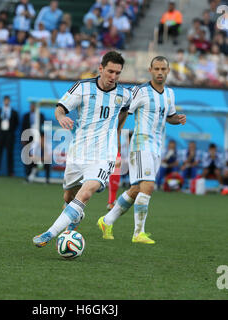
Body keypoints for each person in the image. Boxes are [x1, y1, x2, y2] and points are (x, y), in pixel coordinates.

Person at [33, 51, 132, 248]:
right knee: (69, 197)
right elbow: (60, 108)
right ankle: (75, 216)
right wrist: (61, 117)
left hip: (105, 154)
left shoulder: (125, 94)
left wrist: (117, 134)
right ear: (101, 69)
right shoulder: (83, 88)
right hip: (79, 152)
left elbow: (123, 113)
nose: (113, 77)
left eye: (118, 73)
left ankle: (49, 233)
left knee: (87, 192)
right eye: (110, 71)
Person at [98, 56, 187, 244]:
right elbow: (123, 112)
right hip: (141, 144)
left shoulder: (170, 93)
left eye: (163, 69)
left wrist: (177, 119)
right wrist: (115, 136)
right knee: (148, 186)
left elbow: (168, 116)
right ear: (150, 70)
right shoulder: (141, 91)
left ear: (168, 71)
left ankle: (107, 221)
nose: (160, 72)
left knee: (136, 189)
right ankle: (138, 233)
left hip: (156, 146)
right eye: (156, 69)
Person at [21, 102, 46, 182]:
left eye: (34, 106)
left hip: (38, 139)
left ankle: (34, 174)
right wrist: (23, 139)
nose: (32, 107)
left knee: (36, 157)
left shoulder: (41, 116)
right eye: (31, 106)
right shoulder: (26, 116)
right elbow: (23, 127)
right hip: (28, 138)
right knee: (27, 157)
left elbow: (43, 128)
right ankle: (27, 175)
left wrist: (42, 139)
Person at [0, 95, 19, 176]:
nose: (6, 102)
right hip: (1, 134)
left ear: (9, 101)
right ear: (3, 101)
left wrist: (10, 130)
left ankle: (10, 172)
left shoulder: (13, 112)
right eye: (5, 100)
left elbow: (16, 123)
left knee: (10, 154)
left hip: (9, 134)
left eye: (8, 100)